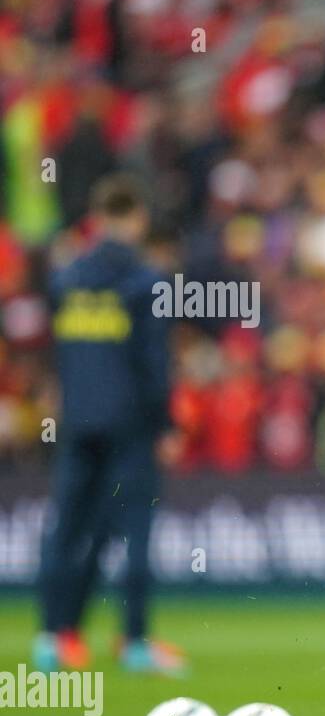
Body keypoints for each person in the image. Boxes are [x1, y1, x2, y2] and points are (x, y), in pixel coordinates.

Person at [32, 174, 186, 676]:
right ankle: (135, 641)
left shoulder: (66, 277)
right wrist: (166, 425)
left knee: (67, 528)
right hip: (130, 425)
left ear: (98, 218)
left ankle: (53, 638)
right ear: (136, 217)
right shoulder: (146, 282)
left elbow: (57, 350)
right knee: (135, 531)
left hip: (78, 420)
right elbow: (153, 364)